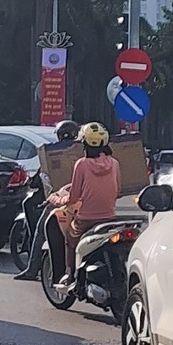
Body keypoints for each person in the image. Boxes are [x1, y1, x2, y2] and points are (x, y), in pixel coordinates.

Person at [51, 122, 120, 292]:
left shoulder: (81, 164)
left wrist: (56, 199)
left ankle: (69, 274)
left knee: (70, 238)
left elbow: (73, 198)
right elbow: (117, 190)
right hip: (110, 218)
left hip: (86, 220)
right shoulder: (115, 163)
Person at [14, 120, 84, 282]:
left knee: (40, 231)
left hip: (62, 201)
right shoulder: (84, 152)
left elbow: (40, 179)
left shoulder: (52, 154)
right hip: (86, 202)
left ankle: (32, 270)